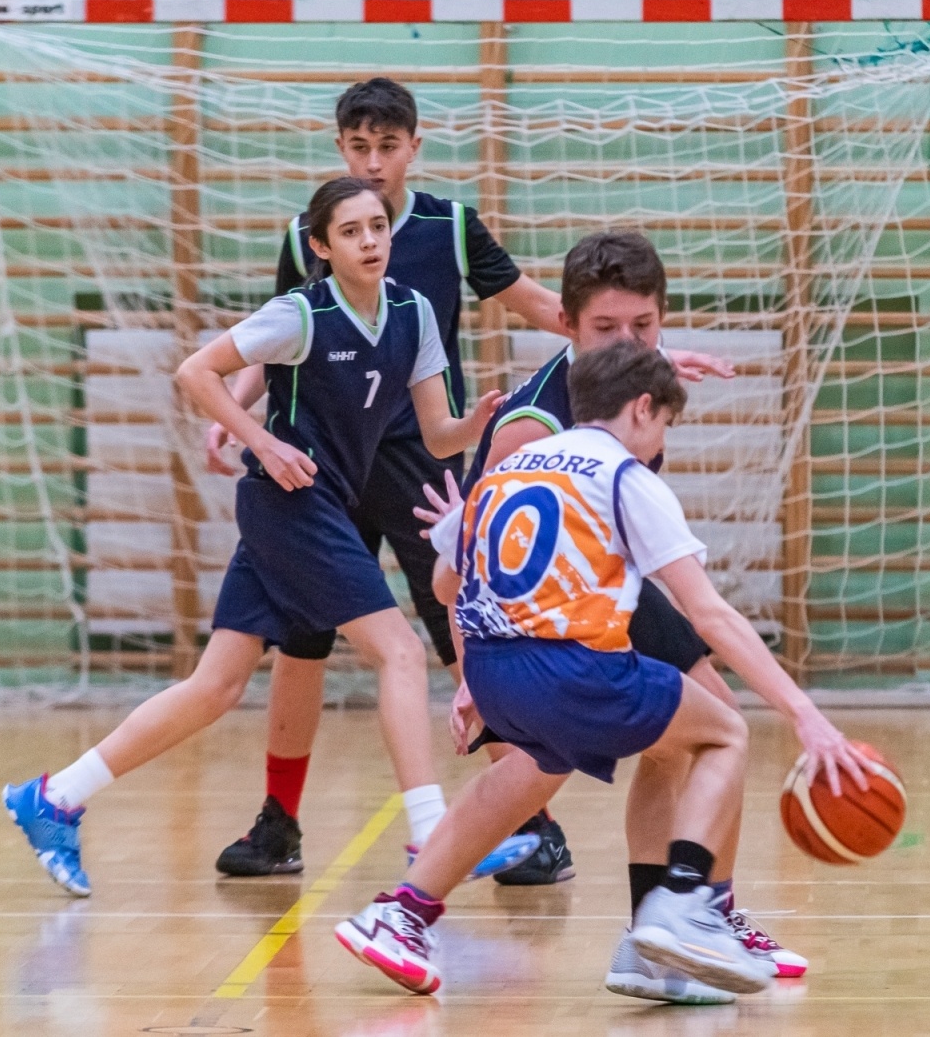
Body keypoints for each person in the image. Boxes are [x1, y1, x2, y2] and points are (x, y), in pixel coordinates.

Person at [204, 78, 730, 881]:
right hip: (326, 455)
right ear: (340, 149)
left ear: (414, 146)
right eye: (359, 146)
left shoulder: (449, 228)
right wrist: (237, 406)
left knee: (463, 624)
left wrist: (639, 354)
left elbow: (544, 305)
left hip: (419, 456)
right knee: (301, 643)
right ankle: (280, 821)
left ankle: (535, 824)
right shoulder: (313, 230)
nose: (374, 162)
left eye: (388, 145)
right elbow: (285, 328)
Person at [2, 177, 497, 897]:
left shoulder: (414, 314)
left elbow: (434, 431)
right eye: (351, 231)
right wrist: (258, 442)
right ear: (321, 247)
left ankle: (53, 798)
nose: (369, 241)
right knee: (397, 649)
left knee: (217, 685)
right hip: (288, 504)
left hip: (313, 505)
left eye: (377, 227)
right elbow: (194, 372)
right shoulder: (300, 314)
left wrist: (479, 421)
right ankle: (430, 833)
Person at [334, 341, 868, 1001]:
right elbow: (709, 615)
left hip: (496, 672)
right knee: (723, 731)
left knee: (548, 763)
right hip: (573, 670)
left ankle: (405, 913)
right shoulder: (623, 476)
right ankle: (681, 904)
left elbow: (445, 585)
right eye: (664, 425)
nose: (659, 442)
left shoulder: (510, 465)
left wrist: (463, 536)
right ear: (642, 409)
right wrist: (803, 713)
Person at [444, 229, 808, 976]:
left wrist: (663, 360)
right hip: (551, 617)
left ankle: (676, 923)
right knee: (709, 733)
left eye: (644, 328)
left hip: (609, 588)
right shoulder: (530, 423)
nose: (629, 343)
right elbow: (466, 559)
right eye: (607, 330)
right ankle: (696, 914)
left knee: (681, 744)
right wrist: (465, 671)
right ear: (567, 327)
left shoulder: (627, 384)